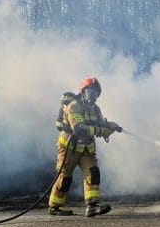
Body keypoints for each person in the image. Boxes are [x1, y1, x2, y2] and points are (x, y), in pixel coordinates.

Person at [49, 77, 122, 217]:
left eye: (95, 92)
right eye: (90, 91)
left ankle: (92, 206)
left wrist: (110, 126)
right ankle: (55, 206)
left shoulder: (96, 109)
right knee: (65, 179)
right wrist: (100, 130)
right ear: (83, 91)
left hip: (86, 150)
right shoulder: (73, 106)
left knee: (93, 175)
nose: (92, 95)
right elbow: (78, 128)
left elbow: (100, 124)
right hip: (69, 149)